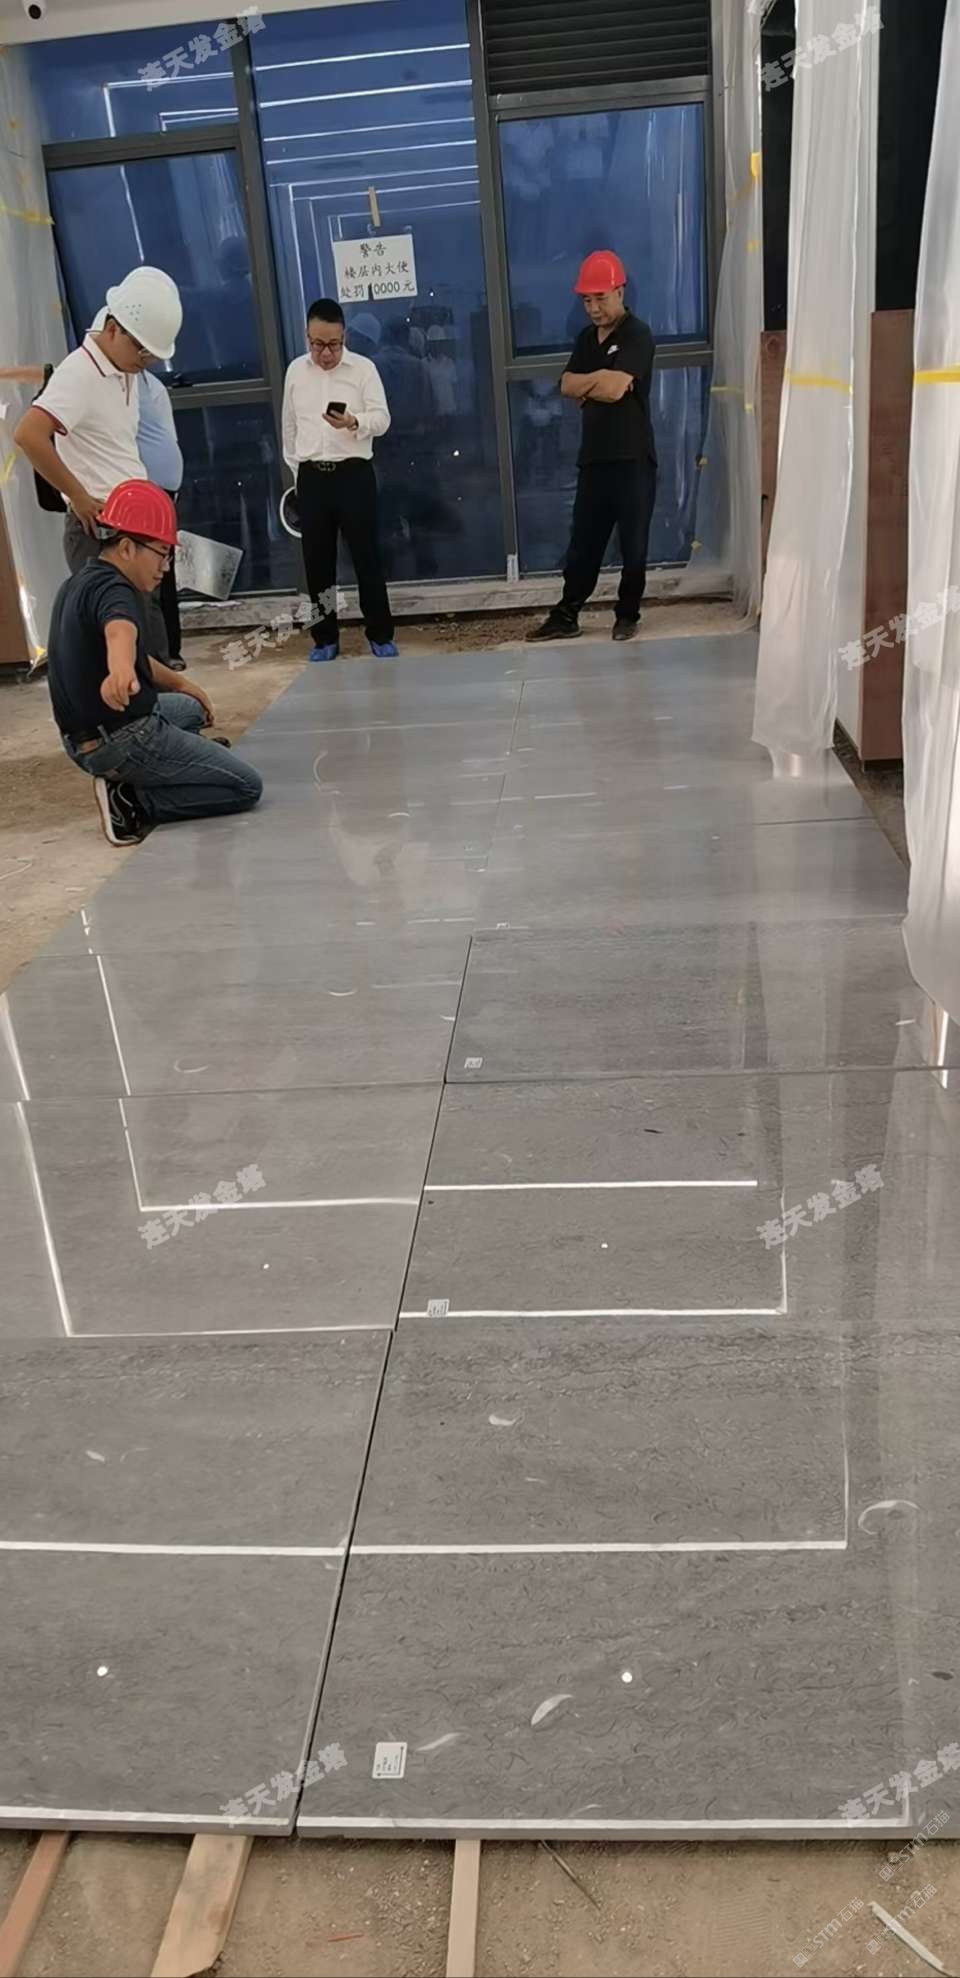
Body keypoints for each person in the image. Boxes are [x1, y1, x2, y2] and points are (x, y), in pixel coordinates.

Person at [46, 480, 262, 847]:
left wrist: (182, 685)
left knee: (190, 710)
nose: (165, 567)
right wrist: (120, 672)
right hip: (121, 739)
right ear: (127, 547)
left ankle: (170, 767)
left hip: (84, 737)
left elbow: (132, 651)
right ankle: (131, 800)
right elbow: (120, 633)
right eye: (161, 553)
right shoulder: (117, 591)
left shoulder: (80, 581)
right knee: (244, 786)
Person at [14, 267, 183, 663]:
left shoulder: (123, 369)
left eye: (151, 355)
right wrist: (78, 496)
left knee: (147, 634)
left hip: (133, 522)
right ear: (112, 329)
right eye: (141, 350)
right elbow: (29, 434)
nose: (144, 361)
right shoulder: (79, 374)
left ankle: (158, 701)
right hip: (99, 528)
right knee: (117, 634)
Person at [528, 250, 658, 645]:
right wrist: (601, 379)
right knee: (583, 543)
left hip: (632, 458)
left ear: (620, 291)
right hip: (595, 457)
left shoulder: (637, 334)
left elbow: (616, 389)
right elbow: (567, 385)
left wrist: (598, 382)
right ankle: (567, 614)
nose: (594, 308)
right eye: (587, 300)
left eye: (600, 298)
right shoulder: (586, 339)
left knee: (633, 545)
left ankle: (627, 615)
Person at [281, 297, 397, 663]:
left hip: (353, 474)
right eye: (318, 344)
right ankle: (325, 639)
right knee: (317, 562)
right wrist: (298, 472)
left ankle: (380, 633)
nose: (326, 353)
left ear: (344, 336)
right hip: (312, 477)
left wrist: (354, 422)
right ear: (307, 337)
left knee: (366, 557)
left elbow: (382, 419)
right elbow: (289, 427)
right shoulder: (296, 372)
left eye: (333, 344)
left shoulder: (362, 370)